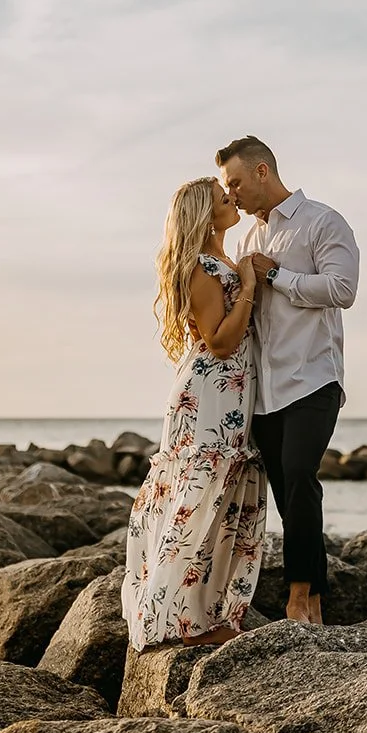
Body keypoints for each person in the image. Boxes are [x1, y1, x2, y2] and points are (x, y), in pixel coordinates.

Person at [217, 136, 359, 626]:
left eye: (235, 181)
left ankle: (297, 600)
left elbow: (343, 289)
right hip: (263, 391)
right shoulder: (245, 240)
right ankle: (314, 602)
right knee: (287, 495)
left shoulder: (322, 221)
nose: (230, 193)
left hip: (312, 380)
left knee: (300, 477)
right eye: (224, 186)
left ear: (262, 171)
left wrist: (277, 276)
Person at [121, 175, 267, 650]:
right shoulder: (203, 268)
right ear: (205, 215)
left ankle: (204, 617)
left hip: (230, 394)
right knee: (198, 501)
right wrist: (247, 282)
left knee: (222, 502)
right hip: (209, 394)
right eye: (225, 198)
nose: (233, 201)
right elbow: (221, 342)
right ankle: (169, 622)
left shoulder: (223, 258)